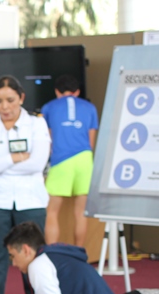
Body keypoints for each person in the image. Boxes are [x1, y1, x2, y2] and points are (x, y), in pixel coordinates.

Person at [0, 75, 51, 294]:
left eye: (10, 100)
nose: (4, 107)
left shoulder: (37, 123)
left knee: (33, 259)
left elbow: (37, 163)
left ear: (21, 98)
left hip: (31, 201)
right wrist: (16, 157)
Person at [41, 75, 98, 246]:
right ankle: (79, 254)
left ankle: (52, 254)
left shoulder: (48, 107)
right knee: (81, 213)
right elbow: (91, 140)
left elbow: (47, 138)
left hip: (61, 160)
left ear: (57, 91)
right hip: (85, 159)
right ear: (78, 92)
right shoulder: (90, 107)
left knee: (51, 211)